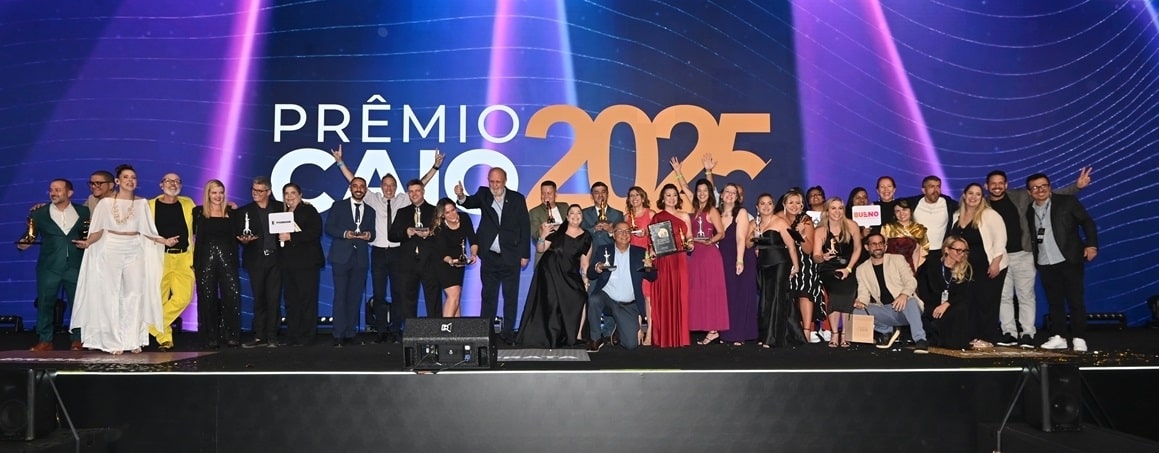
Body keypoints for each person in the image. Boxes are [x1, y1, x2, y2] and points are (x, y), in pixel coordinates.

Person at [331, 145, 441, 343]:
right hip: (378, 253)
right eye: (385, 185)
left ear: (396, 187)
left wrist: (435, 167)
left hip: (399, 254)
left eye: (392, 185)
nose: (389, 188)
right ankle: (381, 330)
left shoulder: (404, 199)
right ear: (380, 187)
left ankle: (397, 329)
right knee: (379, 293)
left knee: (399, 293)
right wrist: (340, 163)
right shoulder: (373, 199)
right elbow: (354, 181)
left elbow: (421, 184)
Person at [72, 164, 176, 354]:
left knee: (135, 293)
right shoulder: (105, 203)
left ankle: (132, 339)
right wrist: (88, 243)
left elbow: (148, 231)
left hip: (134, 249)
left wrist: (164, 241)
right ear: (117, 181)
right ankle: (112, 341)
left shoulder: (142, 203)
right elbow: (98, 230)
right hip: (111, 249)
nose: (130, 180)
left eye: (133, 177)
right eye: (126, 177)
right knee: (110, 294)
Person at [986, 168, 1089, 348]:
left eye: (1000, 182)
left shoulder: (1020, 196)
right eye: (993, 183)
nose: (997, 186)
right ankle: (1009, 332)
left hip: (1024, 253)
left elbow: (1051, 194)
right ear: (986, 186)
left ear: (1006, 184)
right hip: (999, 257)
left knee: (1026, 295)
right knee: (1003, 296)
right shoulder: (983, 204)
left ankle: (1027, 333)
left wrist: (1077, 186)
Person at [454, 168, 530, 345]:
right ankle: (485, 334)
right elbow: (468, 202)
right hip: (489, 256)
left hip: (511, 255)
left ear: (505, 181)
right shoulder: (483, 194)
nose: (494, 186)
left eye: (498, 182)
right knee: (488, 296)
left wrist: (525, 254)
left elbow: (525, 227)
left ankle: (508, 333)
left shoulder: (517, 199)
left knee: (510, 297)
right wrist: (461, 196)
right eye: (491, 182)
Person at [1025, 173, 1098, 352]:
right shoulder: (1029, 210)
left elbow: (1087, 222)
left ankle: (1079, 337)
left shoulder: (1067, 202)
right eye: (1035, 187)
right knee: (1054, 302)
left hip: (1069, 258)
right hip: (1044, 262)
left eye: (1044, 186)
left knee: (1075, 300)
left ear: (1049, 187)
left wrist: (1091, 245)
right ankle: (1059, 336)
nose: (1040, 190)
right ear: (1029, 192)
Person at [20, 179, 89, 351]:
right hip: (49, 267)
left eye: (58, 190)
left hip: (76, 265)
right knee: (45, 303)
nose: (53, 193)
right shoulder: (39, 213)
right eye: (51, 190)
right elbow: (29, 237)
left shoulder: (84, 212)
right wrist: (22, 244)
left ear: (69, 193)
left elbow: (89, 235)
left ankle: (78, 339)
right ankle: (45, 340)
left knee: (79, 304)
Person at [516, 204, 591, 348]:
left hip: (569, 273)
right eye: (572, 213)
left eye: (579, 213)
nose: (575, 216)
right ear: (567, 216)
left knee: (581, 297)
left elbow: (585, 263)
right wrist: (543, 236)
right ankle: (551, 337)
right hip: (549, 272)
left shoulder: (586, 237)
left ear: (582, 217)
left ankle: (577, 335)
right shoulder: (557, 230)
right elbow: (540, 249)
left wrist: (585, 280)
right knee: (552, 303)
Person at [948, 183, 1007, 349]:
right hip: (965, 268)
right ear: (964, 195)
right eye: (970, 193)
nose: (973, 197)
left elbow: (1001, 240)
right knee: (970, 302)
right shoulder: (956, 215)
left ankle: (987, 338)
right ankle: (973, 336)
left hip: (988, 266)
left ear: (982, 198)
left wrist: (995, 262)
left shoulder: (990, 215)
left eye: (978, 194)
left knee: (987, 302)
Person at [852, 233, 929, 353]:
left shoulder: (897, 259)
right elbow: (863, 293)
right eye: (874, 244)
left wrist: (904, 295)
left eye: (880, 243)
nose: (878, 246)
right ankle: (886, 331)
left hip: (905, 307)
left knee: (911, 301)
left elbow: (911, 281)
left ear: (885, 246)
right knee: (858, 311)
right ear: (867, 247)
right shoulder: (861, 269)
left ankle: (920, 340)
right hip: (885, 310)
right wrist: (860, 302)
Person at [586, 221, 657, 351]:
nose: (624, 234)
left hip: (628, 305)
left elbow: (652, 277)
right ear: (613, 234)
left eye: (627, 231)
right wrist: (598, 267)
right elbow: (590, 273)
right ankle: (595, 338)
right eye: (620, 231)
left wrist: (649, 267)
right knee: (594, 299)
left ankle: (619, 327)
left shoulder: (640, 252)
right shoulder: (604, 250)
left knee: (631, 345)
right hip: (608, 298)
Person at [192, 180, 243, 349]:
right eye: (214, 192)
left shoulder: (232, 212)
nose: (218, 196)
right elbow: (193, 236)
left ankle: (232, 335)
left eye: (221, 192)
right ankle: (210, 336)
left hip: (228, 260)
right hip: (205, 260)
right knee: (207, 298)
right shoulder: (198, 212)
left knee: (232, 296)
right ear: (208, 194)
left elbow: (239, 235)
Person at [325, 177, 375, 347]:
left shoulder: (370, 210)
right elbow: (329, 228)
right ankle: (338, 334)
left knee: (355, 297)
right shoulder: (338, 206)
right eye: (355, 186)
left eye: (362, 187)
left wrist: (369, 235)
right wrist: (345, 233)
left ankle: (350, 333)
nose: (358, 189)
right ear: (350, 188)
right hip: (341, 257)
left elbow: (373, 233)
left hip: (360, 259)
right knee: (340, 296)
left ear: (365, 189)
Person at [149, 172, 196, 350]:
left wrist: (226, 207)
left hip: (184, 257)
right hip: (160, 257)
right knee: (159, 299)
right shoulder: (149, 206)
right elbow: (143, 232)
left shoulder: (188, 203)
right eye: (169, 181)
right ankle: (165, 338)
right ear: (161, 185)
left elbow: (204, 216)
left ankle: (152, 326)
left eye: (177, 181)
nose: (173, 184)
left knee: (184, 298)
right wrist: (162, 241)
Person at [237, 177, 284, 348]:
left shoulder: (281, 208)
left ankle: (272, 336)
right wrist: (244, 240)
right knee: (259, 299)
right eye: (253, 190)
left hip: (276, 259)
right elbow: (238, 233)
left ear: (268, 192)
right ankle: (259, 335)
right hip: (255, 260)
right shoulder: (244, 211)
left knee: (274, 299)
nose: (255, 193)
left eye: (259, 190)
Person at [389, 179, 441, 329]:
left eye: (417, 191)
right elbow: (392, 235)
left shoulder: (435, 211)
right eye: (411, 191)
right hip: (407, 264)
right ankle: (410, 334)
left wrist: (430, 233)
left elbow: (443, 235)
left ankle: (435, 334)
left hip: (430, 263)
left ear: (423, 191)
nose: (414, 194)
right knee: (407, 302)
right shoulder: (402, 212)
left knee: (433, 301)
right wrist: (406, 232)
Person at [683, 179, 729, 344]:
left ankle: (713, 330)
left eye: (705, 190)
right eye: (699, 190)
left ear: (710, 193)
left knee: (710, 291)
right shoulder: (696, 210)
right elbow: (685, 189)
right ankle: (704, 325)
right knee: (698, 290)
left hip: (709, 255)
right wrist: (678, 173)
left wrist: (711, 241)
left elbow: (721, 233)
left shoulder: (712, 210)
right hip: (696, 255)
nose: (702, 193)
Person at [753, 193, 802, 348]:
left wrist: (796, 266)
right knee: (765, 300)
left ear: (774, 206)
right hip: (763, 265)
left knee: (776, 298)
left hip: (780, 263)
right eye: (762, 203)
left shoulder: (780, 222)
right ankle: (768, 334)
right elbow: (749, 244)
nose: (766, 206)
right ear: (757, 207)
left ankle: (773, 338)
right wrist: (753, 238)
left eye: (769, 203)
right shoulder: (755, 224)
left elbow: (791, 245)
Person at [776, 189, 825, 343]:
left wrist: (802, 234)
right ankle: (787, 330)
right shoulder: (777, 218)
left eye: (798, 203)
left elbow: (808, 249)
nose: (794, 206)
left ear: (802, 205)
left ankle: (807, 331)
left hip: (804, 261)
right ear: (784, 204)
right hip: (784, 259)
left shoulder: (806, 220)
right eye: (791, 202)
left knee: (805, 289)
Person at [278, 183, 324, 346]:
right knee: (291, 301)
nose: (289, 196)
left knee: (307, 300)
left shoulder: (309, 211)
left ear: (300, 194)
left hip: (307, 264)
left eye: (293, 193)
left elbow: (315, 232)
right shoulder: (281, 214)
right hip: (288, 264)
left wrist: (292, 237)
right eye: (286, 193)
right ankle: (293, 335)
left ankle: (307, 336)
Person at [813, 197, 861, 347]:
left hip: (848, 266)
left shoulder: (852, 225)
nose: (837, 211)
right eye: (833, 208)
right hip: (828, 268)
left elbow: (858, 249)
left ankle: (845, 333)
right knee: (835, 291)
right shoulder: (820, 230)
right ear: (827, 211)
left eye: (840, 208)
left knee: (848, 290)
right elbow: (816, 256)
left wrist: (848, 268)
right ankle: (835, 333)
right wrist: (823, 257)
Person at [649, 184, 692, 348]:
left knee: (680, 295)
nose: (672, 198)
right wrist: (652, 251)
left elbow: (689, 237)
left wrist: (690, 244)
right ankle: (664, 337)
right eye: (668, 195)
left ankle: (681, 337)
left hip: (680, 259)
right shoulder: (657, 217)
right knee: (664, 296)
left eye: (674, 195)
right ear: (663, 198)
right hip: (663, 260)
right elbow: (652, 241)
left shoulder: (684, 215)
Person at [916, 235, 975, 350]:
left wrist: (947, 304)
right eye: (958, 250)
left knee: (961, 308)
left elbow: (964, 294)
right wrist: (934, 306)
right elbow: (923, 288)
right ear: (947, 250)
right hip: (932, 305)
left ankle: (948, 338)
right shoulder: (931, 265)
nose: (961, 254)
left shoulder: (965, 268)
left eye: (964, 251)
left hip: (952, 306)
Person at [718, 183, 759, 346]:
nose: (730, 194)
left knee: (739, 296)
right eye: (727, 191)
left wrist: (740, 261)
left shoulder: (741, 213)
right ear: (721, 195)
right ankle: (726, 333)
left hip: (740, 258)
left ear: (737, 197)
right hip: (723, 259)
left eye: (733, 193)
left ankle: (739, 334)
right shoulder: (716, 214)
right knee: (727, 297)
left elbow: (741, 238)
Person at [431, 198, 478, 317]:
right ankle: (445, 328)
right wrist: (451, 261)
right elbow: (442, 252)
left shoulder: (464, 218)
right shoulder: (439, 228)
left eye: (453, 210)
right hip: (443, 262)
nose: (452, 214)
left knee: (456, 296)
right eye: (447, 212)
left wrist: (473, 254)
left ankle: (456, 328)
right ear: (442, 215)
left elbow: (473, 239)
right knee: (454, 294)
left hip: (459, 262)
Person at [624, 186, 655, 345]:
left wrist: (647, 233)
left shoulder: (651, 214)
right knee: (635, 296)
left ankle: (649, 332)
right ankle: (637, 331)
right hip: (631, 259)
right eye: (631, 196)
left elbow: (659, 235)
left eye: (637, 195)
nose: (634, 198)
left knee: (648, 296)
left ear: (643, 198)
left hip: (646, 258)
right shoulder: (626, 217)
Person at [908, 176, 958, 264]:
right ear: (924, 190)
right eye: (931, 186)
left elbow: (966, 208)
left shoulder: (949, 204)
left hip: (941, 253)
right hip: (919, 252)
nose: (936, 190)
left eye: (938, 186)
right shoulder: (913, 203)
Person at [581, 182, 624, 265]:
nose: (600, 195)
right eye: (596, 192)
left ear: (607, 194)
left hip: (612, 257)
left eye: (603, 192)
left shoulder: (618, 214)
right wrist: (593, 229)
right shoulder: (584, 213)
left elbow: (623, 237)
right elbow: (579, 234)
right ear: (592, 196)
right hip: (590, 257)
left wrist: (611, 231)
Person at [881, 199, 928, 273]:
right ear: (894, 214)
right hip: (890, 267)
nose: (901, 213)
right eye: (897, 211)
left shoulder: (918, 229)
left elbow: (917, 252)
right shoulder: (887, 228)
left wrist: (914, 271)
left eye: (904, 209)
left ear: (911, 211)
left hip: (909, 267)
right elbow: (881, 249)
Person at [528, 180, 568, 266]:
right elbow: (535, 236)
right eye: (543, 193)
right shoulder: (534, 212)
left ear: (555, 194)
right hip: (545, 259)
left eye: (549, 193)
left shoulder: (565, 207)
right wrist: (542, 230)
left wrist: (559, 227)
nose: (545, 196)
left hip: (565, 257)